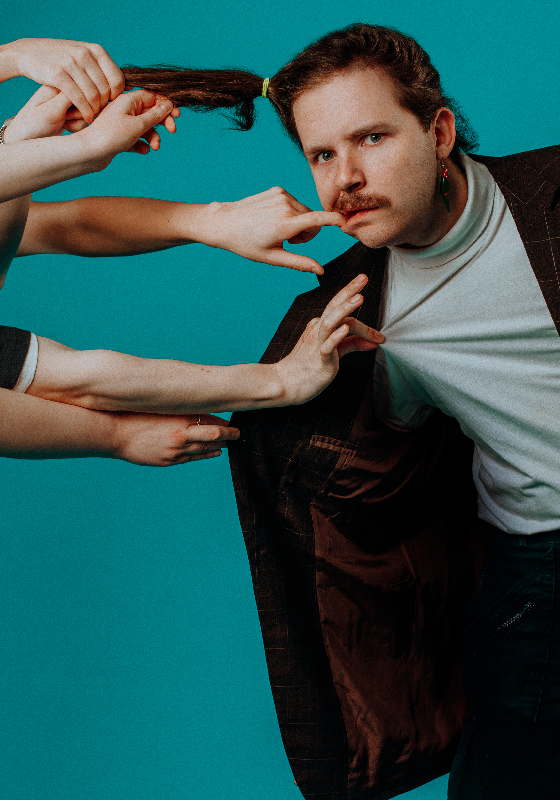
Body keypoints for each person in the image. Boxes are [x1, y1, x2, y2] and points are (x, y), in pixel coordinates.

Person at [120, 23, 560, 800]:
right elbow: (288, 455)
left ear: (440, 131)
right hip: (537, 573)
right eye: (323, 155)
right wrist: (127, 433)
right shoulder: (348, 310)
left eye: (372, 138)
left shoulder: (547, 199)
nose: (347, 177)